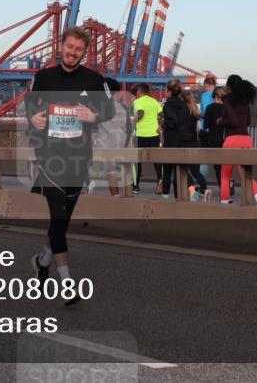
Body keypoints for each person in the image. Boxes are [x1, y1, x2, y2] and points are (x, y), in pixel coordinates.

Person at [26, 26, 112, 306]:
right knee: (59, 220)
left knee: (60, 221)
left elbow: (109, 111)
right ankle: (67, 284)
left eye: (78, 49)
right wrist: (34, 120)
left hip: (78, 159)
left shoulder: (94, 80)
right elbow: (31, 109)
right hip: (49, 157)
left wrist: (94, 114)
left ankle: (42, 261)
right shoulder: (43, 77)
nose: (72, 52)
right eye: (69, 47)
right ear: (60, 46)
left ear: (84, 52)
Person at [218, 75, 257, 206]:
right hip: (246, 139)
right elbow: (248, 122)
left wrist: (221, 121)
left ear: (230, 87)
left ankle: (224, 202)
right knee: (247, 175)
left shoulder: (228, 101)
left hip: (232, 140)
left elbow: (233, 121)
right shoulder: (245, 102)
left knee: (225, 176)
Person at [162, 79, 205, 201]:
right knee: (179, 172)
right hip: (185, 142)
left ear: (169, 92)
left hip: (171, 142)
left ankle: (165, 197)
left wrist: (165, 124)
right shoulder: (184, 105)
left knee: (167, 171)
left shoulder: (169, 104)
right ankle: (178, 198)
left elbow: (173, 122)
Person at [92, 77, 134, 196]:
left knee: (111, 173)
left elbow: (93, 124)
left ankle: (115, 196)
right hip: (122, 142)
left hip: (106, 144)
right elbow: (129, 128)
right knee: (126, 171)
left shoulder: (100, 106)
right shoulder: (123, 107)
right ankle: (128, 195)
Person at [132, 83, 162, 194]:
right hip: (154, 134)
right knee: (156, 160)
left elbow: (140, 113)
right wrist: (160, 125)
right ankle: (160, 182)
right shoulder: (154, 101)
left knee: (137, 161)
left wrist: (133, 122)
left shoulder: (137, 101)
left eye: (136, 91)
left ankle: (135, 186)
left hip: (141, 134)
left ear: (139, 91)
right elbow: (161, 114)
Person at [201, 87, 227, 191]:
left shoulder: (210, 108)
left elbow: (206, 125)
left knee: (213, 165)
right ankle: (226, 184)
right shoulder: (226, 108)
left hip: (212, 139)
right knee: (223, 166)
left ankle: (206, 186)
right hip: (225, 139)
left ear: (215, 96)